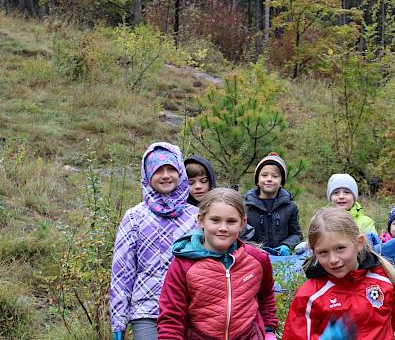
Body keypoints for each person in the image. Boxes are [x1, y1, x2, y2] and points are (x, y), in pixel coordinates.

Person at [157, 188, 278, 340]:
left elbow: (266, 297)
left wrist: (268, 331)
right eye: (215, 220)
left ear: (242, 223)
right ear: (201, 220)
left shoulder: (258, 260)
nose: (223, 228)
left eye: (231, 221)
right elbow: (171, 316)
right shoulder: (183, 265)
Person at [110, 142, 199, 340]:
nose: (166, 175)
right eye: (158, 170)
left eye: (171, 169)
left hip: (189, 310)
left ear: (180, 172)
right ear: (148, 175)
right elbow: (122, 272)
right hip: (147, 310)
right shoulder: (134, 217)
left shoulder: (197, 217)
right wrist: (118, 320)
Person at [283, 208, 395, 340]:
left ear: (359, 243)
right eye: (323, 252)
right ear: (314, 252)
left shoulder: (383, 279)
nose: (333, 259)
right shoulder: (310, 296)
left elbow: (389, 325)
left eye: (340, 248)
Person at [244, 153, 302, 253]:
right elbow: (241, 235)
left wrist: (286, 245)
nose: (269, 179)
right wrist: (254, 249)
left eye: (275, 176)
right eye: (264, 175)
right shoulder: (246, 206)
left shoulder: (290, 207)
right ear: (257, 181)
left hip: (281, 259)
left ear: (281, 183)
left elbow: (297, 235)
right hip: (253, 257)